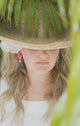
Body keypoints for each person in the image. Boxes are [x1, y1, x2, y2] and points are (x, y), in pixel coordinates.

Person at [0, 0, 71, 126]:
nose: (43, 54)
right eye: (34, 46)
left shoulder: (73, 92)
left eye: (50, 46)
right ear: (20, 50)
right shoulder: (2, 90)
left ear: (60, 50)